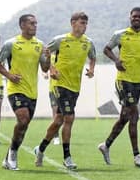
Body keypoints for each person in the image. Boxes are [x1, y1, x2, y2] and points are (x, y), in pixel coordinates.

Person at [33, 12, 96, 170]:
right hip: (60, 85)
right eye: (82, 22)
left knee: (58, 121)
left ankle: (40, 149)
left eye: (86, 23)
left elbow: (93, 57)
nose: (84, 26)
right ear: (73, 23)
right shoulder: (61, 40)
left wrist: (91, 69)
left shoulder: (88, 42)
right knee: (69, 117)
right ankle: (67, 157)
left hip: (75, 86)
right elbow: (45, 52)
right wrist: (51, 69)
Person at [98, 7, 140, 167]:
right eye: (134, 16)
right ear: (130, 18)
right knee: (134, 115)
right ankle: (137, 155)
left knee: (125, 117)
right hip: (123, 80)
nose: (136, 19)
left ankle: (106, 145)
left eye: (139, 17)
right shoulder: (120, 34)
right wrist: (116, 61)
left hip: (138, 81)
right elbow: (106, 49)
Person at [0, 14, 51, 171]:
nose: (35, 26)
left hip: (32, 91)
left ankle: (9, 156)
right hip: (16, 89)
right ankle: (12, 154)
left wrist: (48, 58)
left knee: (24, 126)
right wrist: (10, 76)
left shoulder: (39, 45)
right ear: (22, 25)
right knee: (23, 119)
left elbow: (45, 68)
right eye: (31, 23)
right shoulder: (11, 44)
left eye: (36, 23)